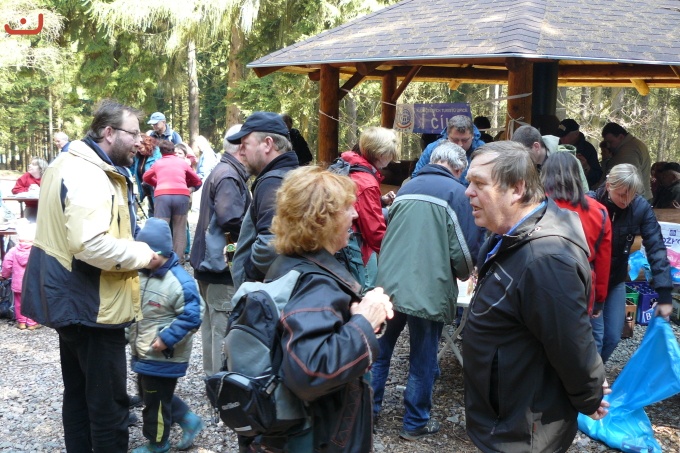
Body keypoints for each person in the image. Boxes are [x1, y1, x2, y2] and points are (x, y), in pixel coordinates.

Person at [21, 99, 161, 452]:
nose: (140, 141)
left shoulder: (66, 162)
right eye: (133, 133)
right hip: (92, 305)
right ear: (108, 132)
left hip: (70, 299)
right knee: (108, 408)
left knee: (79, 395)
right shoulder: (89, 173)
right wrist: (144, 256)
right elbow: (90, 244)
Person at [463, 141, 609, 453]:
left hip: (523, 431)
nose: (468, 192)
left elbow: (571, 343)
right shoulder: (510, 235)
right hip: (506, 417)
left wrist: (590, 395)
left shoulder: (546, 260)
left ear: (517, 189)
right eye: (469, 182)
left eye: (479, 183)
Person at [261, 165, 393, 452]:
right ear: (323, 219)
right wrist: (364, 322)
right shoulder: (315, 284)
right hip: (317, 437)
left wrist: (360, 317)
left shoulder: (287, 264)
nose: (355, 215)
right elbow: (310, 371)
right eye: (347, 208)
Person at [371, 141, 483, 441]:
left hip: (389, 284)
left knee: (380, 353)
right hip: (428, 287)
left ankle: (367, 414)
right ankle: (415, 422)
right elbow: (463, 251)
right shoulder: (457, 194)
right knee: (422, 358)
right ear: (458, 169)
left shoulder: (406, 187)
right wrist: (464, 273)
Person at [129, 218, 205, 453]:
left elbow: (193, 316)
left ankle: (158, 443)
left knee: (155, 403)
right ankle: (188, 419)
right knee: (150, 394)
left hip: (164, 355)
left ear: (157, 254)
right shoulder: (142, 274)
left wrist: (167, 338)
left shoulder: (180, 282)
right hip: (144, 351)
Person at [589, 164, 673, 362]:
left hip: (616, 279)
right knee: (595, 339)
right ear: (609, 186)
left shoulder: (640, 207)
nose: (626, 200)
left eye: (631, 195)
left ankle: (593, 374)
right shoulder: (590, 202)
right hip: (590, 282)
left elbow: (656, 247)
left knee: (613, 337)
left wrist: (664, 294)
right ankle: (587, 379)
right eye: (621, 194)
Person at [190, 124, 252, 376]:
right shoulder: (228, 175)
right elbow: (231, 219)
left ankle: (212, 380)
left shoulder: (223, 170)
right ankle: (221, 385)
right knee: (222, 330)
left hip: (209, 265)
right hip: (219, 267)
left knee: (212, 327)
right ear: (242, 148)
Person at [228, 111, 299, 290]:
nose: (241, 152)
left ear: (267, 144)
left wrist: (247, 272)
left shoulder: (272, 183)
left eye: (245, 144)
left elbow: (270, 245)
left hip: (263, 292)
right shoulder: (291, 175)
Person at [541, 152, 612, 317]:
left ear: (546, 174)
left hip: (541, 283)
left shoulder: (534, 206)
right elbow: (603, 260)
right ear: (577, 175)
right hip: (581, 287)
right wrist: (599, 299)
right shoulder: (599, 211)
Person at [337, 126, 398, 291]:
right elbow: (374, 232)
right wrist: (396, 255)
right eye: (391, 154)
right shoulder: (366, 182)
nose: (392, 159)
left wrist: (380, 202)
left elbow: (357, 203)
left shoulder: (351, 164)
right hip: (355, 244)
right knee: (366, 289)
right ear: (381, 154)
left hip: (341, 239)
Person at [143, 139, 202, 262]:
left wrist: (157, 183)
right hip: (181, 196)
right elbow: (197, 180)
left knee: (161, 227)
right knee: (180, 229)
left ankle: (161, 260)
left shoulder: (158, 163)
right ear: (173, 151)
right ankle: (178, 260)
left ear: (161, 151)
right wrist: (189, 188)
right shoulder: (182, 163)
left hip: (162, 197)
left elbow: (146, 177)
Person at [511, 124, 590, 190]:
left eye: (523, 153)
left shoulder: (567, 161)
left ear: (536, 146)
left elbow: (584, 195)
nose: (521, 158)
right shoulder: (527, 165)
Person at [412, 115, 485, 181]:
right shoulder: (433, 149)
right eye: (455, 140)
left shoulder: (482, 150)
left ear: (472, 136)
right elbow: (417, 176)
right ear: (447, 136)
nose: (460, 145)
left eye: (465, 140)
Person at [1, 221, 39, 330]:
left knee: (19, 303)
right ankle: (32, 323)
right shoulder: (37, 251)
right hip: (33, 283)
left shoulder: (13, 251)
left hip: (18, 283)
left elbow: (7, 264)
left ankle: (21, 322)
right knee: (33, 302)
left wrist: (4, 275)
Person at [600, 122, 652, 200]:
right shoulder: (635, 144)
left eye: (611, 142)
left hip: (632, 199)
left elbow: (629, 181)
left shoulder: (628, 151)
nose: (608, 146)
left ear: (621, 137)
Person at [555, 118, 602, 188]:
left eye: (565, 135)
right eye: (560, 135)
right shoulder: (555, 146)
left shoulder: (588, 149)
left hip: (579, 190)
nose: (561, 138)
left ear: (576, 134)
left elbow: (596, 177)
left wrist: (586, 167)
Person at [132, 135, 161, 217]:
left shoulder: (157, 154)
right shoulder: (138, 156)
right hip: (145, 189)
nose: (139, 150)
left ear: (147, 145)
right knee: (151, 210)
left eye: (140, 148)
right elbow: (132, 168)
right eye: (137, 148)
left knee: (158, 211)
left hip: (156, 189)